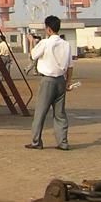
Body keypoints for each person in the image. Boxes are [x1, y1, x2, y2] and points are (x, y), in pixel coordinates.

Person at [25, 16, 73, 150]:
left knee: (40, 112)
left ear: (48, 29)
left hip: (48, 80)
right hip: (61, 80)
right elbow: (70, 66)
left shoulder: (45, 43)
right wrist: (68, 82)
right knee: (60, 114)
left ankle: (36, 141)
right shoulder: (66, 44)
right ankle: (63, 142)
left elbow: (32, 55)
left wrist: (31, 42)